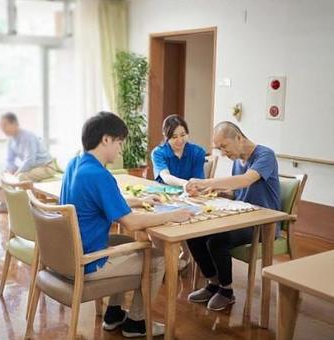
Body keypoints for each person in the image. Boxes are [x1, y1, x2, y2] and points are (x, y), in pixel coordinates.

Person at [60, 112, 194, 338]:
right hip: (88, 261)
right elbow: (131, 222)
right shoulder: (99, 175)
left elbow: (98, 202)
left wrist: (138, 201)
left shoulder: (75, 164)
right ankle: (137, 322)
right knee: (157, 258)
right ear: (106, 140)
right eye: (119, 143)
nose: (121, 150)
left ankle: (113, 314)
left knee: (128, 243)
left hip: (69, 253)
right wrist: (173, 215)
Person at [184, 121, 280, 311]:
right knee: (194, 235)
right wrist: (217, 192)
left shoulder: (265, 155)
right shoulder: (238, 161)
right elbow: (238, 193)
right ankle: (214, 283)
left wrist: (205, 182)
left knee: (217, 240)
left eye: (224, 146)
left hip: (263, 224)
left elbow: (245, 181)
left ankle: (226, 291)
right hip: (241, 218)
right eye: (219, 148)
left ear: (238, 137)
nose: (222, 152)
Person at [151, 114, 206, 271]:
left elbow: (198, 179)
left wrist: (193, 188)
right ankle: (166, 260)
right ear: (166, 137)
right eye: (174, 137)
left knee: (190, 216)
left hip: (190, 198)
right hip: (165, 197)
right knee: (155, 224)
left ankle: (185, 257)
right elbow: (165, 176)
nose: (179, 140)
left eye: (183, 135)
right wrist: (184, 184)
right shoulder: (159, 152)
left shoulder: (197, 152)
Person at [0, 112, 60, 213]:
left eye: (5, 125)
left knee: (22, 177)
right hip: (33, 167)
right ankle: (4, 204)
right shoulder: (11, 139)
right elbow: (10, 160)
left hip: (46, 167)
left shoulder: (28, 136)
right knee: (4, 174)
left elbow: (30, 160)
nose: (3, 129)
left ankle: (29, 206)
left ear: (14, 123)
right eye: (1, 126)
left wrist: (17, 173)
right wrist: (9, 171)